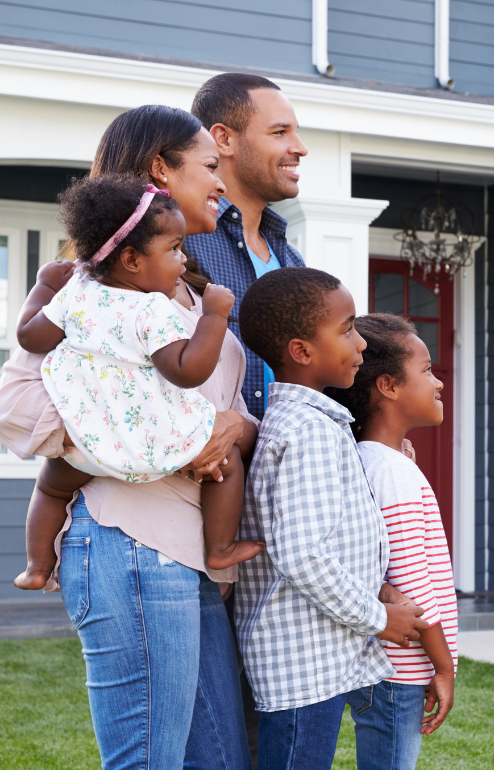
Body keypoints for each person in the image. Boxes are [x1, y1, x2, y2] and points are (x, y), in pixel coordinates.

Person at [0, 104, 258, 769]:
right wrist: (131, 446)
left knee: (219, 761)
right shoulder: (86, 291)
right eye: (209, 166)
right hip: (131, 549)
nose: (221, 183)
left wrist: (231, 428)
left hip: (191, 559)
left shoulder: (189, 297)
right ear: (159, 172)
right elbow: (16, 405)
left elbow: (221, 410)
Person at [12, 173, 264, 592]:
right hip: (157, 441)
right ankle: (220, 547)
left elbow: (29, 336)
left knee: (51, 488)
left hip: (90, 438)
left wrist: (44, 286)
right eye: (174, 249)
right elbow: (187, 370)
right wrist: (215, 317)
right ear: (131, 260)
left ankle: (38, 566)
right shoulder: (152, 309)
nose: (182, 261)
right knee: (227, 464)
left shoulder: (76, 293)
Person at [234, 268, 430, 770]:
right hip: (303, 665)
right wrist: (380, 617)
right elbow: (302, 554)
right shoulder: (310, 433)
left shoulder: (310, 423)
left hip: (311, 657)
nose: (361, 342)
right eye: (346, 330)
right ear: (302, 351)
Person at [327, 313, 458, 770]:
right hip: (400, 669)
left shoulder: (369, 460)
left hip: (379, 663)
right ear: (388, 386)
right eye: (426, 370)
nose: (438, 382)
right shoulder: (392, 472)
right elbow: (412, 585)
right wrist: (443, 667)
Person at [185, 73, 307, 420]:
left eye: (296, 132)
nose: (299, 147)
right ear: (223, 139)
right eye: (280, 132)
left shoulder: (292, 261)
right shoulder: (180, 243)